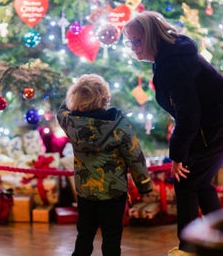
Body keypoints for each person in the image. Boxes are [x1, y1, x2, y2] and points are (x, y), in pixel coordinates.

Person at [122, 11, 223, 256]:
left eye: (137, 41)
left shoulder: (172, 64)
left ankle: (188, 249)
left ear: (152, 38)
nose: (133, 47)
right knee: (198, 181)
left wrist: (177, 155)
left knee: (186, 181)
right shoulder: (168, 57)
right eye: (130, 41)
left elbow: (189, 113)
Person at [56, 74, 153, 256]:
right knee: (112, 238)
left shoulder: (71, 122)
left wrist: (75, 91)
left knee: (84, 235)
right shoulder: (119, 124)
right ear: (105, 99)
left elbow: (60, 112)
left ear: (76, 97)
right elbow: (135, 155)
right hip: (114, 193)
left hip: (86, 192)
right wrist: (144, 185)